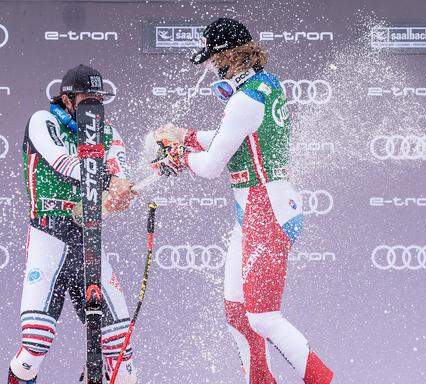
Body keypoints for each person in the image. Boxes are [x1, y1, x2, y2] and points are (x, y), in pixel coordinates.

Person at [151, 17, 333, 384]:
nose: (211, 69)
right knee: (237, 311)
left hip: (268, 212)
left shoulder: (244, 101)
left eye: (214, 61)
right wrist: (185, 136)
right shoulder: (262, 85)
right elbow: (231, 139)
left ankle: (322, 379)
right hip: (255, 212)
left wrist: (180, 157)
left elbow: (211, 166)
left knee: (263, 318)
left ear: (229, 57)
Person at [8, 64, 139, 384]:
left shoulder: (109, 133)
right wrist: (110, 180)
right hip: (48, 235)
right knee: (33, 349)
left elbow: (119, 181)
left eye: (98, 98)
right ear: (67, 99)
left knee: (122, 357)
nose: (93, 105)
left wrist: (121, 193)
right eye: (86, 98)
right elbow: (62, 163)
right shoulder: (44, 121)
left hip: (87, 238)